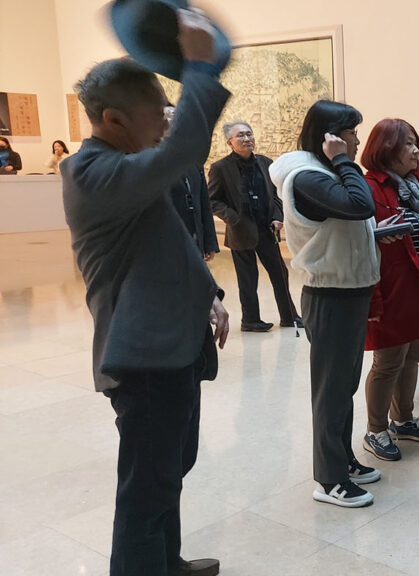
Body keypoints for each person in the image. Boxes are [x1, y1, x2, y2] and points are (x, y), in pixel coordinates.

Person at [62, 13, 229, 576]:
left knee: (169, 471)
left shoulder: (124, 167)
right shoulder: (89, 171)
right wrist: (200, 67)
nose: (166, 122)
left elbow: (167, 243)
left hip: (169, 347)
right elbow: (184, 150)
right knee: (145, 491)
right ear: (111, 119)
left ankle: (166, 562)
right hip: (145, 359)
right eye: (157, 113)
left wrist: (209, 294)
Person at [270, 100, 385, 508]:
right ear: (330, 136)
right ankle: (329, 479)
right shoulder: (305, 176)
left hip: (349, 290)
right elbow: (359, 205)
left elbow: (350, 222)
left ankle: (343, 459)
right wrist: (343, 160)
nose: (356, 139)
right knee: (331, 390)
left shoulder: (324, 173)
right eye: (350, 132)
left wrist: (375, 234)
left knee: (344, 386)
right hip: (330, 296)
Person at [360, 118, 419, 462]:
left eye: (415, 143)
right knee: (388, 361)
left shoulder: (416, 182)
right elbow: (363, 236)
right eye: (407, 144)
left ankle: (404, 418)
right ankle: (375, 428)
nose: (415, 150)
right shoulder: (369, 186)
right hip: (392, 283)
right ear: (386, 149)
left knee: (414, 355)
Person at [208, 120, 301, 332]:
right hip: (241, 231)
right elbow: (212, 201)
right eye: (240, 135)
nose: (247, 138)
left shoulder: (266, 163)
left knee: (280, 274)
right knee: (248, 279)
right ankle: (250, 320)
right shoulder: (220, 168)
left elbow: (278, 195)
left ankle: (289, 316)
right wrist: (234, 218)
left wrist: (278, 217)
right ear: (230, 142)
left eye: (249, 134)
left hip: (267, 230)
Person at [164, 104, 218, 262]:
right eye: (168, 121)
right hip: (167, 246)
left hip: (195, 242)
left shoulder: (193, 159)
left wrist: (209, 243)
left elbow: (204, 202)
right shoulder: (149, 161)